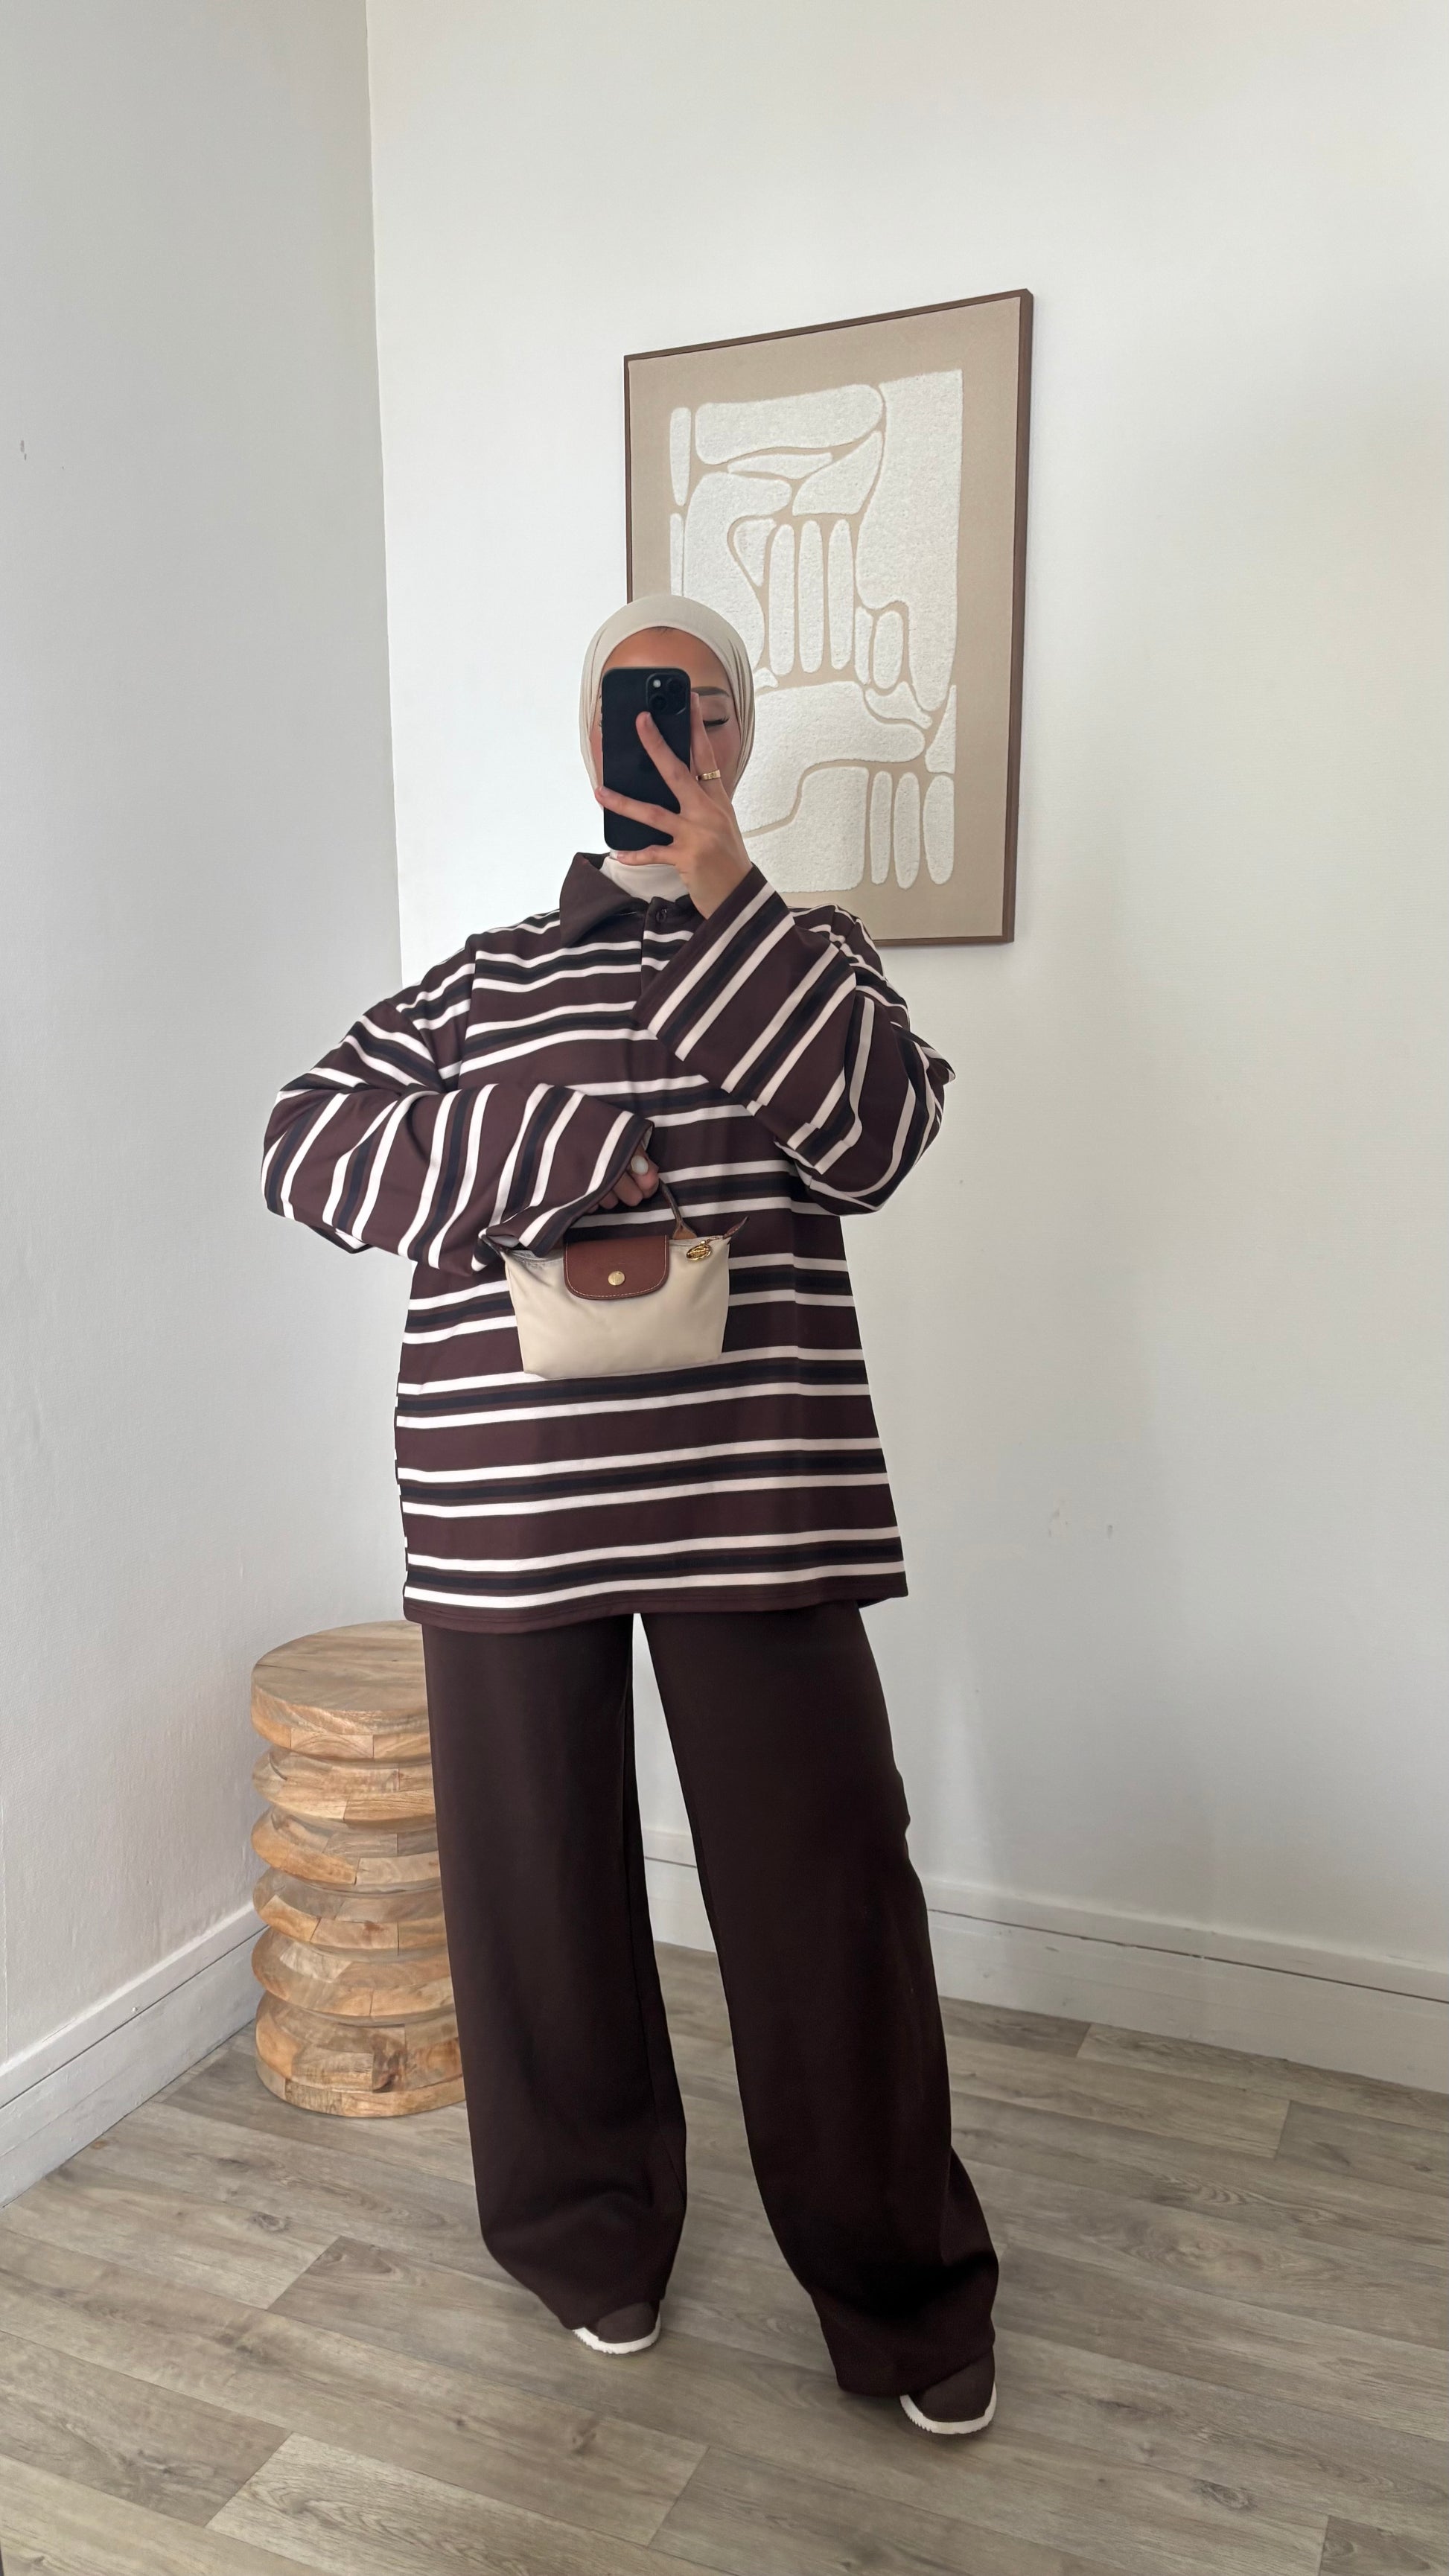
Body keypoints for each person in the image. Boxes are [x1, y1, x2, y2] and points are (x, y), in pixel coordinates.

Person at [262, 593, 999, 2437]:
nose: (668, 735)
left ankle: (902, 2290)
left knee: (826, 1891)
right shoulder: (480, 978)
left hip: (756, 1487)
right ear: (583, 742)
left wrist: (736, 893)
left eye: (696, 703)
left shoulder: (811, 955)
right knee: (537, 1900)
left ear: (739, 732)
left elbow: (875, 1135)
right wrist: (556, 1142)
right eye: (629, 707)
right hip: (510, 1502)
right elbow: (304, 1143)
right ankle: (588, 2239)